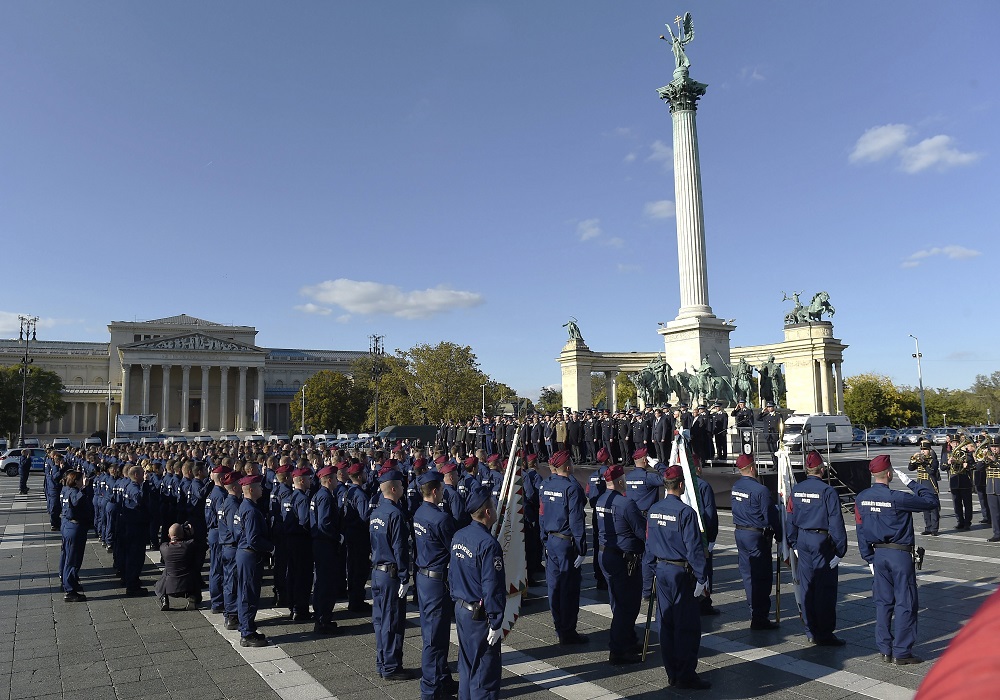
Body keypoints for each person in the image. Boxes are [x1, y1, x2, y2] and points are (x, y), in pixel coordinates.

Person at [855, 455, 939, 664]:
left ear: (873, 475)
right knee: (905, 602)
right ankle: (902, 651)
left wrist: (868, 557)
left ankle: (884, 648)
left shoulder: (861, 498)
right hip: (899, 554)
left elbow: (860, 528)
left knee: (883, 603)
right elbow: (932, 501)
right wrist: (912, 483)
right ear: (890, 474)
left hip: (878, 555)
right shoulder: (897, 497)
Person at [646, 464, 710, 690]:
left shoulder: (654, 510)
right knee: (687, 625)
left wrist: (648, 577)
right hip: (681, 573)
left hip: (661, 570)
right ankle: (685, 674)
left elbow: (649, 546)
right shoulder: (686, 513)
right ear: (681, 485)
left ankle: (672, 672)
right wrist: (702, 577)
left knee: (666, 624)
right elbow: (693, 549)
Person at [449, 484, 506, 700]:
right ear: (488, 512)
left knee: (467, 667)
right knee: (485, 672)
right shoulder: (489, 544)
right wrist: (496, 620)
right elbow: (492, 586)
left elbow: (452, 575)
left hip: (462, 608)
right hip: (480, 616)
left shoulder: (459, 536)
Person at [786, 451, 848, 645]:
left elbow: (790, 518)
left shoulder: (796, 490)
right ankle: (824, 633)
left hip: (803, 539)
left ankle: (810, 630)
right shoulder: (827, 491)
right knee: (824, 588)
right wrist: (840, 550)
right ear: (822, 469)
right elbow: (836, 523)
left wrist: (794, 542)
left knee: (807, 586)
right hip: (820, 541)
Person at [413, 470, 459, 700]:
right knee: (434, 638)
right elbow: (454, 548)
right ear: (434, 491)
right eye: (441, 489)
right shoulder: (440, 518)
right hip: (436, 580)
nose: (443, 493)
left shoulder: (420, 512)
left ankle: (442, 678)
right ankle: (430, 690)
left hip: (425, 578)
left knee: (434, 634)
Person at [594, 463, 646, 665]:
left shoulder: (600, 500)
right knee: (628, 605)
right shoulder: (626, 504)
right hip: (624, 559)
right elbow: (641, 531)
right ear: (620, 481)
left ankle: (627, 639)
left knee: (618, 602)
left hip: (605, 554)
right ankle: (618, 650)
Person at [370, 468, 417, 680]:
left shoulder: (377, 512)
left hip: (378, 572)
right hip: (390, 574)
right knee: (392, 621)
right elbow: (400, 548)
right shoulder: (395, 514)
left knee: (380, 621)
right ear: (392, 488)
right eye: (400, 485)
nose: (404, 488)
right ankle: (390, 666)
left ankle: (382, 661)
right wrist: (405, 576)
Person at [539, 450, 588, 645]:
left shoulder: (545, 485)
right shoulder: (571, 488)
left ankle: (559, 626)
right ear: (568, 466)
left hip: (551, 540)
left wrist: (544, 540)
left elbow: (541, 515)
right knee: (569, 588)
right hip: (566, 542)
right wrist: (582, 548)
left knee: (554, 587)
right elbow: (577, 520)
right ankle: (568, 631)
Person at [730, 453, 781, 630]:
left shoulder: (736, 486)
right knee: (762, 577)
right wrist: (780, 536)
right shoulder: (761, 490)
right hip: (756, 537)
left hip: (740, 533)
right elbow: (770, 516)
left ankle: (754, 610)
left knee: (748, 575)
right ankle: (760, 616)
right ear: (752, 468)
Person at [234, 474, 273, 648]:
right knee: (248, 595)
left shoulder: (246, 506)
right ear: (251, 490)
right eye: (259, 486)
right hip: (250, 555)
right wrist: (271, 548)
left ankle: (247, 627)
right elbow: (253, 539)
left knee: (247, 593)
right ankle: (247, 633)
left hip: (246, 554)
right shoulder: (250, 510)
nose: (262, 489)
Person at [310, 465, 342, 634]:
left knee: (323, 582)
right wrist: (338, 537)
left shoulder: (321, 495)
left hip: (321, 543)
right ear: (329, 480)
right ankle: (323, 620)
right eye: (335, 478)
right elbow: (324, 523)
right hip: (325, 544)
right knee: (326, 583)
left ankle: (323, 617)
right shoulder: (325, 497)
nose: (337, 481)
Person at [282, 467, 314, 621]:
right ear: (302, 481)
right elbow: (305, 521)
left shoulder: (290, 496)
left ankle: (293, 606)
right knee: (302, 576)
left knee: (293, 574)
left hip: (290, 539)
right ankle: (300, 609)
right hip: (301, 541)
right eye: (308, 478)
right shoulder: (302, 498)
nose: (310, 481)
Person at [156, 522, 203, 611]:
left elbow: (162, 561)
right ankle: (192, 597)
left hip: (169, 587)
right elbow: (201, 544)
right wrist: (190, 534)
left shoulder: (164, 547)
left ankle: (164, 598)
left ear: (169, 536)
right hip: (187, 585)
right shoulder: (189, 545)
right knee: (194, 571)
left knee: (166, 571)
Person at [59, 469, 89, 602]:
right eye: (81, 479)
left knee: (68, 557)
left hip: (68, 525)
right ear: (76, 481)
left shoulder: (67, 490)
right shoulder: (75, 492)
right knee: (73, 560)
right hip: (74, 527)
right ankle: (70, 590)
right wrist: (84, 488)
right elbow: (77, 503)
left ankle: (69, 583)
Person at [908, 439, 940, 536]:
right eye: (922, 449)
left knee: (934, 510)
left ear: (929, 450)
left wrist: (924, 462)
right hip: (921, 486)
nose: (923, 451)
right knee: (925, 509)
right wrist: (913, 460)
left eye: (925, 449)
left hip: (931, 486)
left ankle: (934, 529)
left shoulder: (933, 460)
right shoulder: (919, 459)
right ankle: (928, 527)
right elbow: (910, 468)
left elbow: (931, 471)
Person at [945, 433, 974, 530]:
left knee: (967, 503)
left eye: (957, 442)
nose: (955, 444)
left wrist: (967, 465)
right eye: (953, 443)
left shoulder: (966, 453)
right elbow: (942, 466)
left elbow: (973, 464)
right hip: (954, 481)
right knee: (956, 503)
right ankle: (960, 521)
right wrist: (948, 463)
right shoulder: (947, 454)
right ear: (951, 444)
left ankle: (967, 522)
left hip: (964, 480)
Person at [983, 436, 1000, 542]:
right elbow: (979, 468)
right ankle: (997, 533)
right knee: (994, 513)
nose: (994, 449)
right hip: (990, 489)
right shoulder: (988, 458)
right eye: (992, 447)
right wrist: (983, 458)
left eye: (996, 446)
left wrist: (996, 460)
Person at [759, 402, 780, 468]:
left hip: (774, 435)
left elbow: (780, 425)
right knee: (771, 451)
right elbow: (758, 418)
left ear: (773, 407)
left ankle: (777, 465)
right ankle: (774, 465)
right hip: (768, 436)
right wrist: (762, 412)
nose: (769, 408)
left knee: (776, 451)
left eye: (770, 407)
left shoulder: (778, 415)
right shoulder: (766, 415)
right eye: (768, 407)